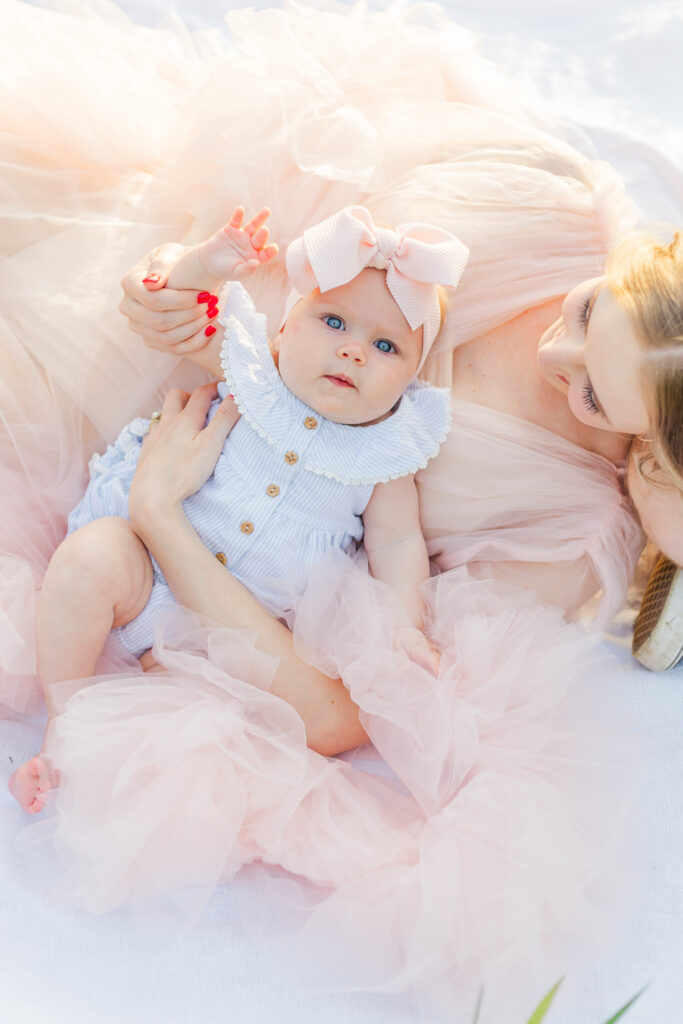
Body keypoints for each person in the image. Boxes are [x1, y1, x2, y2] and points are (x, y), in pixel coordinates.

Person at [1, 2, 681, 1019]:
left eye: (591, 394)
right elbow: (261, 270)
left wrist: (161, 519)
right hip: (158, 374)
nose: (552, 358)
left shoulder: (561, 530)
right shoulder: (547, 210)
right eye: (587, 314)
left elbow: (336, 708)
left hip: (191, 537)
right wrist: (171, 293)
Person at [9, 202, 467, 813]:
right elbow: (183, 302)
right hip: (144, 571)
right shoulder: (252, 372)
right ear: (282, 329)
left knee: (199, 734)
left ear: (410, 381)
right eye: (333, 322)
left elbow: (397, 544)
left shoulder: (387, 458)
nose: (354, 351)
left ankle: (97, 762)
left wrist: (407, 624)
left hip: (234, 635)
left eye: (386, 345)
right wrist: (207, 262)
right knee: (90, 560)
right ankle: (62, 723)